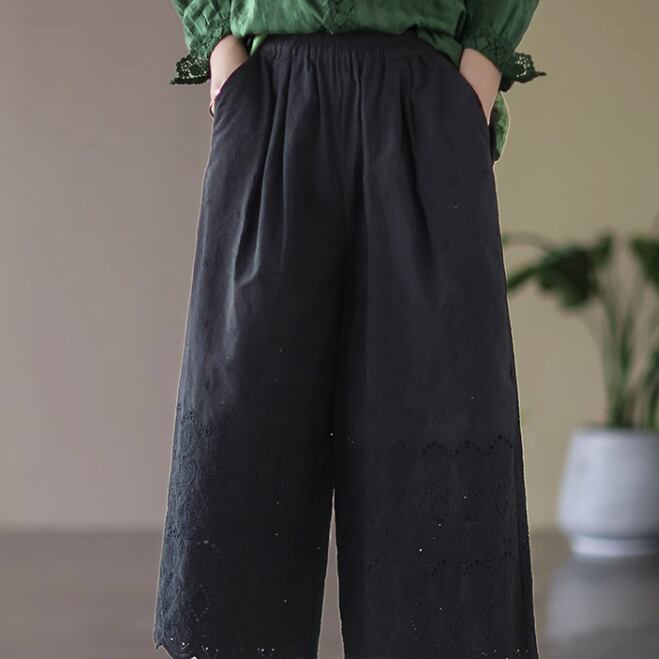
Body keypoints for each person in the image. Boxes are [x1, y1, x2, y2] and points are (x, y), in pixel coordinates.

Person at [153, 2, 545, 658]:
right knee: (245, 404)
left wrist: (475, 78)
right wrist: (222, 54)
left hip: (424, 97)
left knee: (438, 404)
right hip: (271, 93)